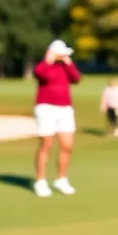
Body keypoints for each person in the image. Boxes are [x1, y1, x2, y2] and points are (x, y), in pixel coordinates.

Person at [32, 39, 81, 197]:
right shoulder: (43, 67)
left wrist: (68, 62)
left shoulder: (65, 67)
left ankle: (61, 179)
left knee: (67, 145)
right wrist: (49, 60)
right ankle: (40, 181)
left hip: (65, 109)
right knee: (46, 144)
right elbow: (40, 74)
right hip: (46, 108)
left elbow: (76, 78)